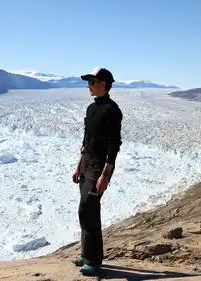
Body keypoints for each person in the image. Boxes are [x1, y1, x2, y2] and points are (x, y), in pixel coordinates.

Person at [71, 67, 123, 276]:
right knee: (84, 210)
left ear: (103, 84)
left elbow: (114, 144)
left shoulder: (112, 109)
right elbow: (86, 140)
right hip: (87, 163)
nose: (88, 86)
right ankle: (86, 254)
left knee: (89, 207)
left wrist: (105, 175)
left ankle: (94, 260)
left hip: (99, 166)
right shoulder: (91, 109)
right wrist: (78, 165)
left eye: (92, 82)